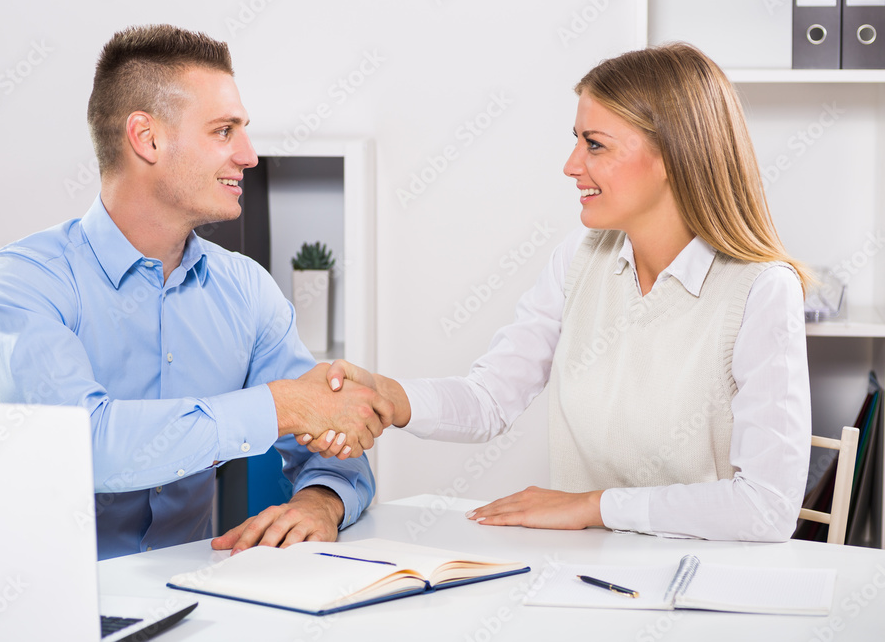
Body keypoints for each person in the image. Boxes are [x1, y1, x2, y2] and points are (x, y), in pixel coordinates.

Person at [311, 43, 812, 542]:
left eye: (595, 144)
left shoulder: (761, 290)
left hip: (703, 586)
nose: (571, 165)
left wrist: (592, 507)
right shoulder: (582, 256)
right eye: (576, 140)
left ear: (672, 156)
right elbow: (490, 397)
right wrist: (389, 397)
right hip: (582, 578)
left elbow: (765, 508)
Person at [0, 24, 392, 560]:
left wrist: (320, 501)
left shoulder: (246, 289)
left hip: (191, 605)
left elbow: (329, 443)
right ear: (147, 139)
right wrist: (281, 406)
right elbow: (83, 447)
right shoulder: (20, 284)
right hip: (40, 611)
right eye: (223, 131)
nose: (249, 155)